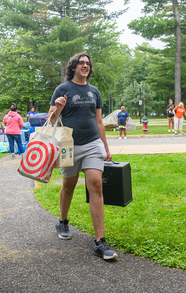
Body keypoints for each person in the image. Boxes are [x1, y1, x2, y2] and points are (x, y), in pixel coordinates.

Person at [48, 52, 117, 261]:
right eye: (81, 63)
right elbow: (51, 122)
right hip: (69, 145)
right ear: (73, 67)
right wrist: (58, 109)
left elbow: (99, 122)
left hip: (93, 144)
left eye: (88, 63)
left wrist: (105, 147)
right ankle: (63, 220)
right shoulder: (62, 89)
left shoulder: (94, 91)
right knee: (69, 185)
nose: (85, 66)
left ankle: (100, 241)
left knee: (95, 184)